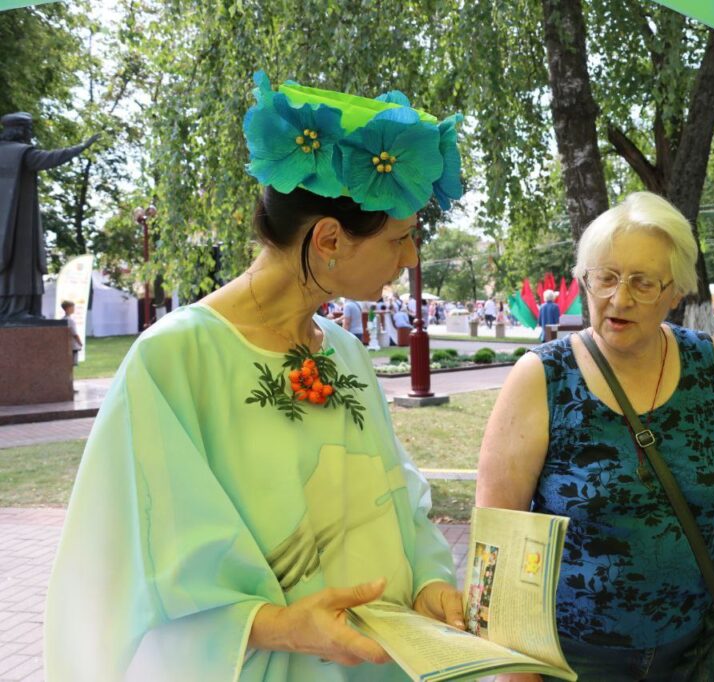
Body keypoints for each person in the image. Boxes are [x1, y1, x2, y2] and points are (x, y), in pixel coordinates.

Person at [45, 71, 466, 681]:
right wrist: (281, 625)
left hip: (385, 661)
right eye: (400, 239)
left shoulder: (345, 352)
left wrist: (427, 582)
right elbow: (131, 562)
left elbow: (395, 494)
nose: (411, 258)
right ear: (329, 239)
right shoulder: (176, 359)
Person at [477, 192, 714, 682]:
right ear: (585, 280)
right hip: (573, 659)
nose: (619, 298)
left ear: (676, 292)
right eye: (605, 277)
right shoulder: (543, 376)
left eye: (643, 283)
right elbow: (497, 537)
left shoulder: (711, 364)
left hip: (700, 650)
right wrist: (514, 671)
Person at [0, 112, 98, 321]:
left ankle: (11, 310)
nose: (30, 134)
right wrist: (81, 147)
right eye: (28, 130)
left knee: (12, 264)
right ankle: (18, 311)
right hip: (20, 224)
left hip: (5, 225)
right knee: (22, 263)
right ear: (20, 131)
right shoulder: (22, 153)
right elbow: (50, 158)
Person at [60, 299, 83, 365]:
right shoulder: (70, 320)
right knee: (72, 363)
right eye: (72, 307)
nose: (73, 309)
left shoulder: (62, 319)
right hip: (73, 345)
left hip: (66, 344)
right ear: (68, 308)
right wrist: (80, 342)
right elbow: (75, 334)